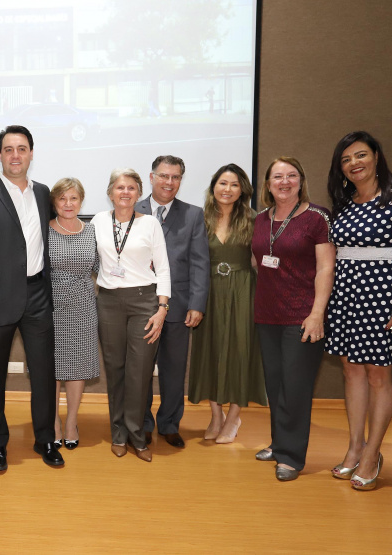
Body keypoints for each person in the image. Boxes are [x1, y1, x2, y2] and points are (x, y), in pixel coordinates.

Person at [325, 131, 392, 491]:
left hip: (386, 298)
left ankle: (372, 453)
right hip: (346, 296)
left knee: (378, 376)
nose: (354, 163)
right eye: (346, 159)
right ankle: (354, 448)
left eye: (360, 155)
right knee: (352, 371)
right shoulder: (345, 202)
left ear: (376, 156)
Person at [0, 125, 64, 470]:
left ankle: (45, 439)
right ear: (0, 155)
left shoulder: (43, 193)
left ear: (31, 153)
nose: (15, 155)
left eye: (22, 148)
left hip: (37, 294)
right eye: (9, 149)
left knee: (44, 373)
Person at [251, 156, 335, 482]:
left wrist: (317, 314)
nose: (284, 182)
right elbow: (260, 262)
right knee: (276, 384)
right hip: (267, 314)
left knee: (296, 387)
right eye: (277, 177)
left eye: (291, 176)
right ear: (268, 184)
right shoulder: (261, 219)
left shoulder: (317, 217)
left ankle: (291, 457)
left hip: (302, 315)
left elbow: (326, 267)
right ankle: (278, 442)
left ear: (300, 180)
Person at [93, 168, 171, 462]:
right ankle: (118, 434)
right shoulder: (99, 221)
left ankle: (137, 435)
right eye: (119, 187)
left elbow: (163, 269)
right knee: (115, 369)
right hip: (109, 302)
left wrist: (162, 309)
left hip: (144, 303)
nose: (125, 193)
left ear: (139, 194)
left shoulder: (150, 223)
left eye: (131, 188)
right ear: (110, 192)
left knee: (139, 372)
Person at [188, 164, 266, 444]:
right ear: (213, 187)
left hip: (243, 290)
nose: (227, 189)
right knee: (209, 350)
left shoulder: (254, 219)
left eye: (234, 184)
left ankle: (234, 415)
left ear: (242, 189)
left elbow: (261, 261)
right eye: (223, 183)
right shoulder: (200, 218)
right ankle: (215, 415)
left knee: (240, 351)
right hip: (208, 291)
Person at [136, 155, 209, 449]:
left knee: (174, 370)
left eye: (175, 177)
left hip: (179, 306)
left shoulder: (193, 215)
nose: (169, 182)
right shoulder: (132, 208)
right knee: (140, 370)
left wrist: (197, 303)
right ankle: (141, 424)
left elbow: (200, 263)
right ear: (151, 177)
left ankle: (169, 424)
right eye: (164, 176)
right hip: (139, 304)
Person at [48, 177, 99, 450]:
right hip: (50, 306)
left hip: (82, 306)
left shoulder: (92, 231)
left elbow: (104, 267)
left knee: (77, 366)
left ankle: (71, 422)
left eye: (74, 198)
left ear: (81, 201)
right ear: (54, 202)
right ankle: (54, 422)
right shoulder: (44, 230)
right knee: (53, 368)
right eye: (62, 198)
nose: (68, 204)